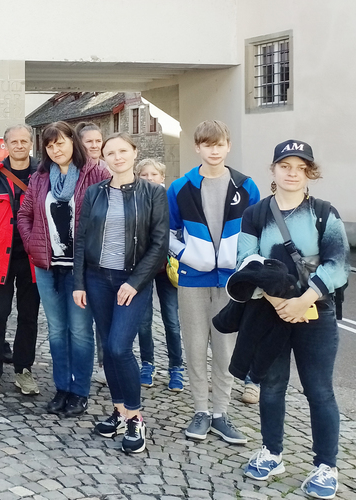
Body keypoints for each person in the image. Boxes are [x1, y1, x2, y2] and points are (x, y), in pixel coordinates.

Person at [237, 140, 349, 499]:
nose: (292, 173)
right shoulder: (255, 214)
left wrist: (304, 299)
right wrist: (277, 300)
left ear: (309, 173)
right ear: (273, 170)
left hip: (317, 313)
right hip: (269, 314)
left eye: (300, 168)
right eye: (285, 166)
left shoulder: (323, 212)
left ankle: (325, 466)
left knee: (319, 390)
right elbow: (247, 262)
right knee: (271, 386)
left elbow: (337, 263)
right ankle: (272, 452)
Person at [72, 134, 169, 454]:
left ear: (134, 153)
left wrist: (136, 282)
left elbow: (159, 244)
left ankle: (136, 417)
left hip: (133, 282)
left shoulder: (153, 193)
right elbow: (81, 240)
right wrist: (79, 283)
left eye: (122, 151)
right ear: (104, 157)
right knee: (107, 347)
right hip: (98, 279)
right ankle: (119, 410)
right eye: (110, 152)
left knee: (118, 346)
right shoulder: (94, 192)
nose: (116, 157)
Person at [168, 120, 258, 444]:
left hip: (231, 282)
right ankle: (201, 410)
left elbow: (254, 233)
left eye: (219, 144)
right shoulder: (180, 187)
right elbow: (168, 232)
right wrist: (187, 254)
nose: (214, 150)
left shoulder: (246, 186)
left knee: (225, 349)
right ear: (198, 148)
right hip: (193, 279)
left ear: (228, 146)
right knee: (194, 346)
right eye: (208, 145)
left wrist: (246, 266)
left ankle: (220, 413)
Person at [18, 121, 110, 417]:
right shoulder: (40, 177)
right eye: (49, 145)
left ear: (74, 142)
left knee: (81, 331)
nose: (56, 149)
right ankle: (62, 387)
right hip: (48, 266)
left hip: (82, 269)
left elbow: (108, 216)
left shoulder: (96, 174)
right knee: (57, 331)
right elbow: (25, 213)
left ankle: (80, 391)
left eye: (61, 142)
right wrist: (33, 243)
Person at [0, 125, 42, 396]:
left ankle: (24, 369)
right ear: (6, 144)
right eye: (14, 141)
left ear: (31, 143)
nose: (20, 145)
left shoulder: (43, 175)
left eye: (24, 140)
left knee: (29, 316)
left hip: (33, 260)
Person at [133, 159, 184, 392]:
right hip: (142, 267)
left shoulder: (171, 201)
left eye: (154, 174)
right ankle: (147, 364)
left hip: (167, 267)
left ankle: (176, 367)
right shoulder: (133, 199)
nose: (149, 178)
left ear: (162, 177)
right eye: (144, 174)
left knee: (171, 320)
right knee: (143, 321)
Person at [77, 122, 110, 386]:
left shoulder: (109, 171)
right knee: (81, 317)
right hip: (79, 253)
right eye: (90, 141)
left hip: (103, 254)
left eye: (99, 141)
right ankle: (84, 364)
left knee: (103, 314)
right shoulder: (76, 173)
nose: (95, 145)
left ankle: (104, 363)